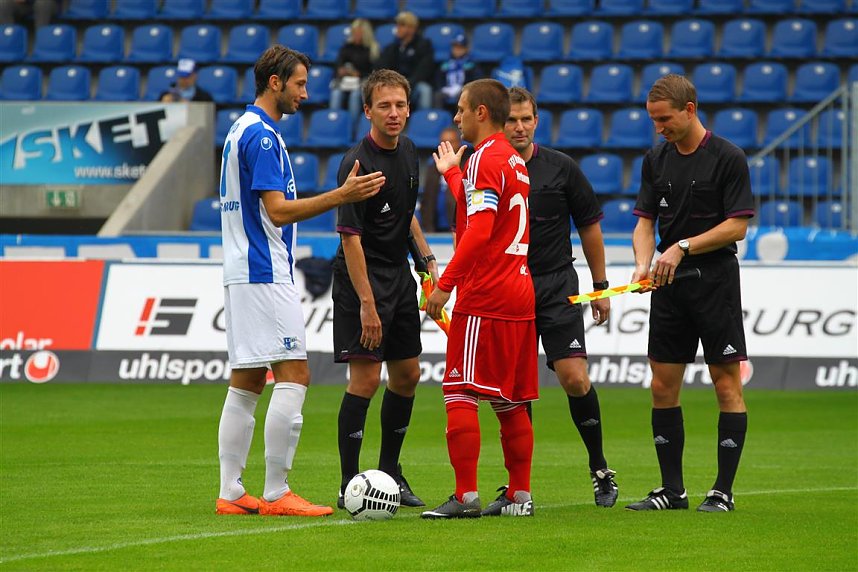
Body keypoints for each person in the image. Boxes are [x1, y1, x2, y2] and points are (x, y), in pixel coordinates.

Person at [216, 45, 385, 517]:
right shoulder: (264, 137)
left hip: (242, 268)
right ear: (275, 82)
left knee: (247, 379)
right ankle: (276, 492)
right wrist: (343, 194)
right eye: (299, 84)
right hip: (265, 270)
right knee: (295, 373)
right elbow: (278, 210)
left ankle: (230, 491)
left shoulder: (240, 129)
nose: (305, 94)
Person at [626, 74, 754, 513]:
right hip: (667, 284)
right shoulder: (655, 158)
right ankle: (672, 491)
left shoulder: (727, 157)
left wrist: (681, 247)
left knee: (725, 384)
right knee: (662, 385)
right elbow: (644, 221)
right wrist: (644, 263)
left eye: (665, 120)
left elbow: (737, 225)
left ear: (690, 110)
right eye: (654, 121)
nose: (660, 128)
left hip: (715, 282)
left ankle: (722, 491)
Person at [421, 79, 537, 519]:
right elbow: (480, 211)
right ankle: (519, 495)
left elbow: (478, 231)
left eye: (462, 108)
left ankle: (465, 495)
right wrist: (454, 173)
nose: (457, 117)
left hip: (485, 293)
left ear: (481, 113)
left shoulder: (486, 159)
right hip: (518, 291)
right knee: (507, 400)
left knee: (458, 390)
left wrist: (446, 285)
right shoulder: (513, 161)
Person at [503, 87, 619, 508]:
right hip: (509, 287)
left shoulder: (561, 168)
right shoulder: (489, 168)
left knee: (574, 377)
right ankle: (519, 487)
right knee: (515, 390)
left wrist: (601, 286)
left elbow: (589, 226)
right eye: (511, 119)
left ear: (536, 121)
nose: (519, 126)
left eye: (526, 119)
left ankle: (600, 467)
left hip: (556, 286)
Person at [332, 69, 436, 509]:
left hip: (399, 276)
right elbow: (350, 238)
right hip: (363, 281)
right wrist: (367, 305)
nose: (394, 114)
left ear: (409, 108)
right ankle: (349, 483)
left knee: (408, 374)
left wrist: (428, 264)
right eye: (384, 106)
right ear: (367, 109)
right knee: (367, 378)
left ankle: (391, 473)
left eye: (400, 105)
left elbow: (406, 217)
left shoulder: (410, 151)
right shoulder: (357, 163)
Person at [374, 11, 434, 112]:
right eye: (397, 25)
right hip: (394, 85)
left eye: (401, 25)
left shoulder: (423, 45)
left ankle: (423, 122)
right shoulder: (393, 47)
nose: (397, 28)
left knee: (425, 90)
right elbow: (382, 67)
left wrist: (406, 84)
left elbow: (423, 70)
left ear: (411, 29)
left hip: (414, 84)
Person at [329, 18, 379, 123]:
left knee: (355, 95)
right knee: (336, 93)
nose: (355, 35)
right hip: (345, 82)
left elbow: (375, 72)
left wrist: (359, 74)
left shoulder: (372, 49)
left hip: (363, 82)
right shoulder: (346, 47)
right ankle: (334, 122)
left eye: (358, 33)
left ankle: (352, 127)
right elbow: (338, 65)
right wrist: (341, 71)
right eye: (354, 33)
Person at [419, 126, 464, 233]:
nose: (447, 146)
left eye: (451, 142)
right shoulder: (433, 167)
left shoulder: (467, 166)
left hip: (458, 229)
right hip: (435, 230)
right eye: (443, 142)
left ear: (458, 143)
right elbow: (427, 200)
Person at [433, 33, 483, 109]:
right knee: (438, 96)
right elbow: (438, 78)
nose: (457, 50)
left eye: (460, 47)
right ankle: (439, 117)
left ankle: (460, 118)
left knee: (463, 95)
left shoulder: (472, 63)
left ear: (466, 49)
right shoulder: (445, 63)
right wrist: (442, 88)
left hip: (463, 89)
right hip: (447, 88)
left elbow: (477, 80)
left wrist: (465, 88)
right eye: (455, 47)